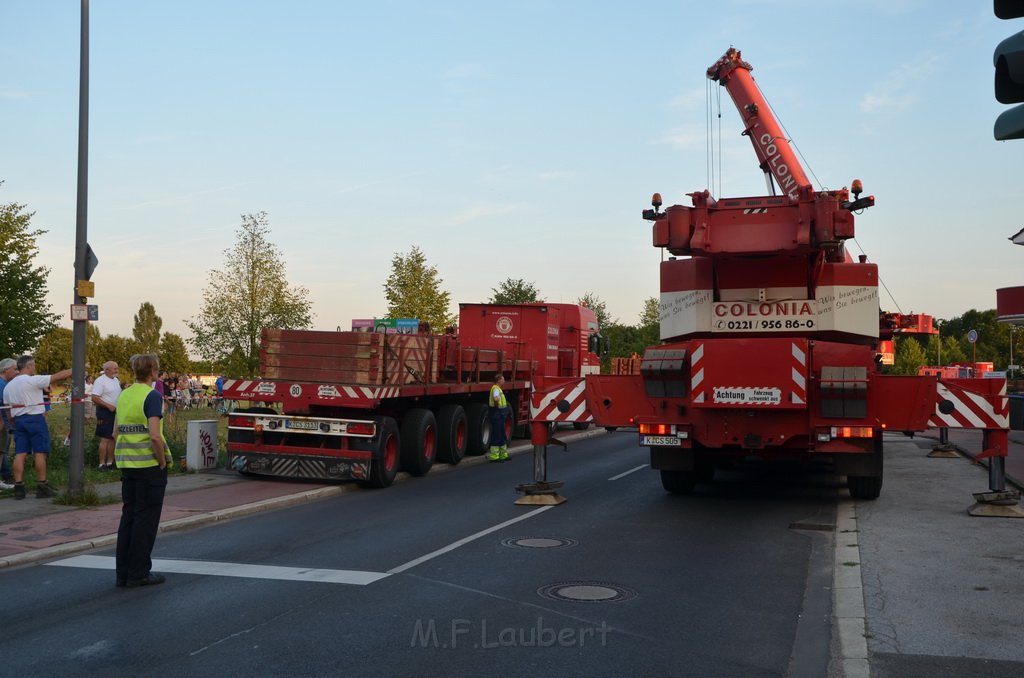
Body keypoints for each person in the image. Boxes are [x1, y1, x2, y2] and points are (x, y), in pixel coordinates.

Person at [114, 353, 171, 588]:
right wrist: (162, 461)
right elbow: (155, 435)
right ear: (154, 372)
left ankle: (123, 573)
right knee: (145, 521)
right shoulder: (153, 396)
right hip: (149, 466)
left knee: (128, 518)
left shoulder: (124, 394)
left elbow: (116, 432)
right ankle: (139, 573)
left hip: (127, 464)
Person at [2, 355, 72, 499]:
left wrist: (13, 422)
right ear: (28, 366)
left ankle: (19, 487)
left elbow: (8, 410)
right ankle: (42, 485)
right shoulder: (33, 380)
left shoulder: (9, 386)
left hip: (18, 420)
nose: (34, 367)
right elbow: (56, 376)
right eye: (33, 365)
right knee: (40, 452)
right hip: (35, 419)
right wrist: (77, 368)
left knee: (20, 453)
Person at [91, 361, 122, 471]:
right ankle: (101, 464)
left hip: (115, 412)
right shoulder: (100, 381)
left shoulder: (115, 380)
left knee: (113, 437)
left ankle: (110, 463)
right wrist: (109, 406)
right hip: (104, 412)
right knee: (105, 439)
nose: (116, 370)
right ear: (107, 370)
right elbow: (94, 397)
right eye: (114, 368)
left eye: (117, 368)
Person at [0, 358, 18, 490]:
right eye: (14, 369)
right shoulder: (3, 385)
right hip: (2, 423)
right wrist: (3, 423)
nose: (16, 372)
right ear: (6, 370)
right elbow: (3, 407)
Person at [487, 374, 509, 462]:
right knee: (497, 434)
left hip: (499, 414)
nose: (504, 381)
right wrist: (498, 408)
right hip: (497, 413)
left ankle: (503, 455)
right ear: (499, 380)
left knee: (502, 434)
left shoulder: (498, 389)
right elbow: (496, 399)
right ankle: (494, 456)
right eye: (503, 379)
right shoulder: (495, 388)